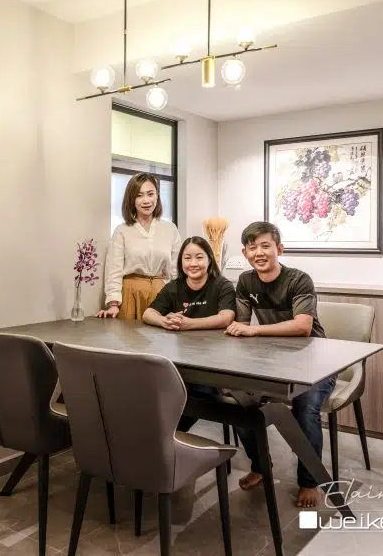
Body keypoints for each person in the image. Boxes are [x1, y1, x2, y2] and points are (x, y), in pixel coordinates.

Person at [224, 221, 333, 509]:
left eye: (265, 246)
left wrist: (252, 331)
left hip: (315, 361)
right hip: (275, 361)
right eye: (252, 247)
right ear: (245, 253)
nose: (259, 253)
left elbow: (302, 327)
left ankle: (309, 481)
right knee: (240, 402)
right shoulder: (246, 281)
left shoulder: (299, 279)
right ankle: (261, 466)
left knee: (305, 408)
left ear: (279, 249)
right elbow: (241, 323)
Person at [143, 236, 235, 431]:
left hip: (213, 362)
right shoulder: (174, 286)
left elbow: (226, 317)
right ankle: (163, 437)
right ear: (181, 262)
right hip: (180, 360)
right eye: (187, 258)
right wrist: (164, 321)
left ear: (209, 259)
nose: (193, 263)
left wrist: (189, 324)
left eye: (199, 257)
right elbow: (148, 313)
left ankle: (170, 438)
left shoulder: (222, 285)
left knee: (197, 395)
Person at [97, 173, 181, 319]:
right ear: (132, 199)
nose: (146, 200)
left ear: (157, 196)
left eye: (150, 194)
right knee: (129, 333)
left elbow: (176, 269)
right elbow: (114, 269)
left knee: (160, 333)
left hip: (161, 295)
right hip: (130, 294)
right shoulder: (122, 230)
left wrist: (177, 300)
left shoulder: (170, 229)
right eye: (139, 195)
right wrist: (113, 304)